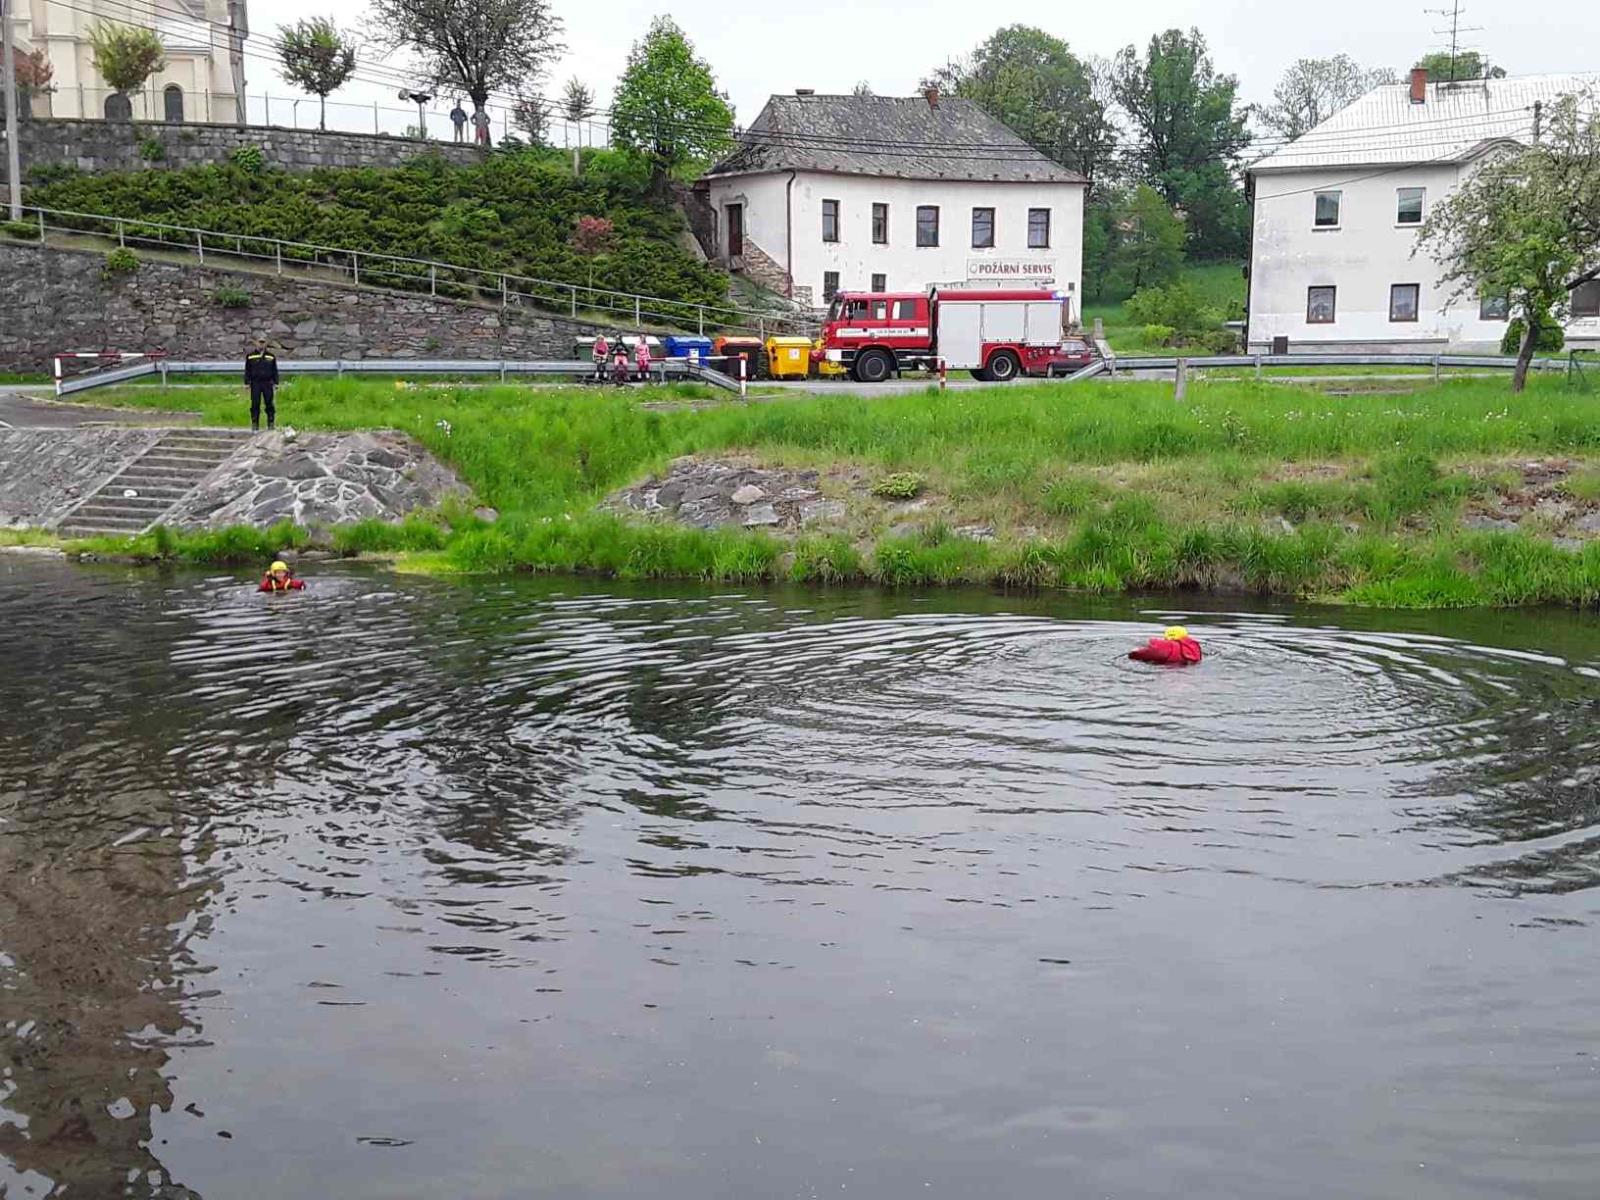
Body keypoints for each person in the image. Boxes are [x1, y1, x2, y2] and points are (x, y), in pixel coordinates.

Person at [244, 338, 280, 432]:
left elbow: (274, 370)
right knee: (255, 403)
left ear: (266, 344)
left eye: (263, 343)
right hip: (255, 383)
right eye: (259, 342)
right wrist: (247, 383)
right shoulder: (250, 356)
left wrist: (276, 382)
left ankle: (271, 423)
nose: (261, 345)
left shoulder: (271, 356)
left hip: (267, 383)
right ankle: (255, 423)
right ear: (256, 343)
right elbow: (247, 370)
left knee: (269, 403)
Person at [1129, 626, 1203, 666]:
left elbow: (1147, 653)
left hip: (1167, 670)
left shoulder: (1166, 646)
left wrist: (1133, 653)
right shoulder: (1193, 647)